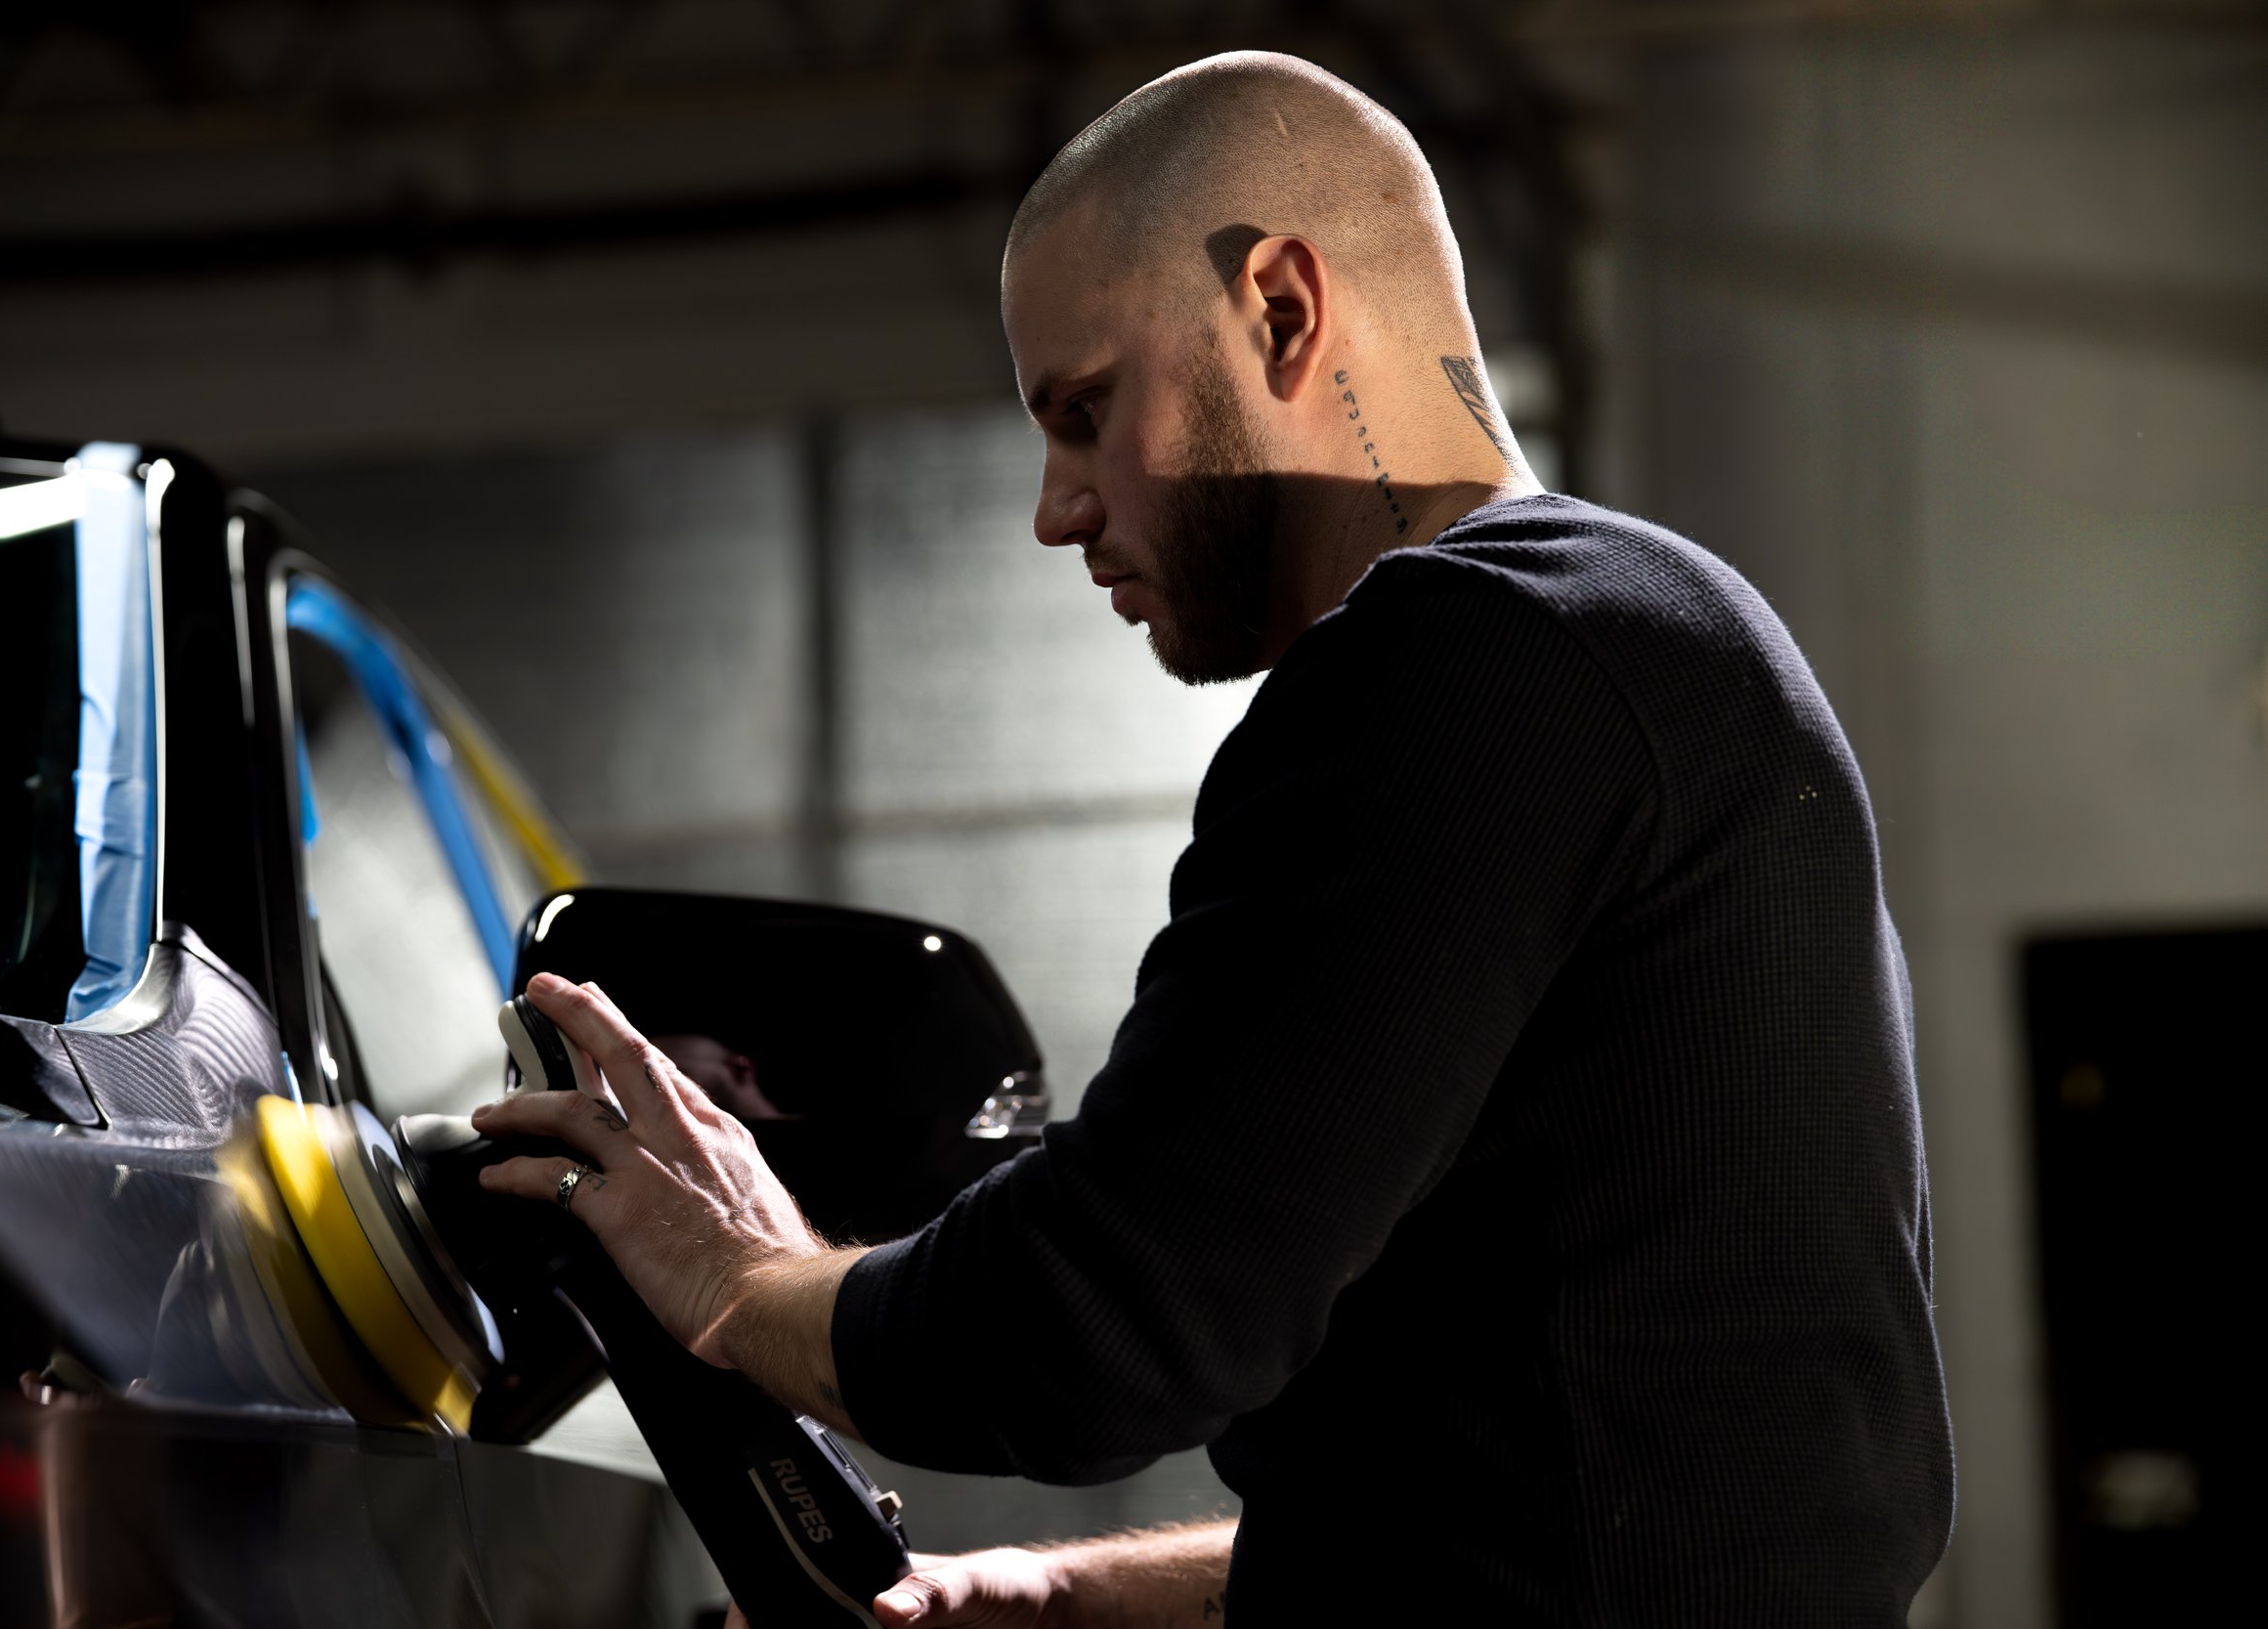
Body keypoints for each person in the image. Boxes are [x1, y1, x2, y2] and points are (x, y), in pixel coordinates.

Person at [473, 51, 1955, 1626]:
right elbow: (1527, 1507)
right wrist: (1048, 1595)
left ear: (1283, 310)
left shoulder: (1471, 657)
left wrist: (737, 1283)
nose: (1056, 509)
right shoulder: (1638, 645)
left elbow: (1104, 1319)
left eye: (1086, 412)